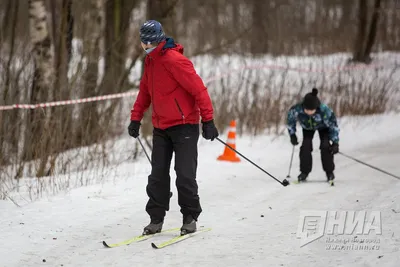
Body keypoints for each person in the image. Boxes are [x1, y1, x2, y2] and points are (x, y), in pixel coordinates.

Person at [128, 20, 219, 235]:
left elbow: (199, 90)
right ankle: (156, 219)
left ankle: (190, 217)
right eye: (143, 43)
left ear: (159, 40)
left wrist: (208, 120)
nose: (146, 47)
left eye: (149, 43)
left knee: (184, 174)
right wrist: (135, 119)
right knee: (158, 175)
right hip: (161, 127)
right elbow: (144, 93)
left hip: (184, 126)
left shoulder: (175, 61)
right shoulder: (150, 61)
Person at [286, 88, 339, 183]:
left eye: (312, 110)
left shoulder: (324, 110)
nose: (309, 112)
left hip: (323, 127)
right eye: (307, 110)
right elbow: (290, 121)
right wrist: (292, 135)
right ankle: (304, 172)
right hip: (307, 128)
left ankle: (329, 171)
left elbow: (333, 125)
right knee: (305, 146)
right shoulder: (296, 109)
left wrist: (335, 142)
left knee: (325, 146)